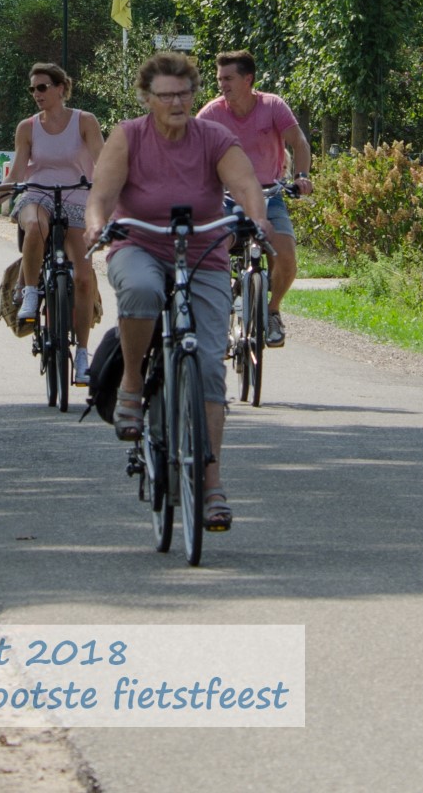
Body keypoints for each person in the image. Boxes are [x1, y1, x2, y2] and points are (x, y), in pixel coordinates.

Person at [84, 52, 270, 532]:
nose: (176, 103)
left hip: (203, 250)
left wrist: (258, 219)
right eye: (165, 95)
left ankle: (212, 486)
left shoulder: (214, 137)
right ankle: (130, 385)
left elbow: (245, 183)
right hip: (140, 243)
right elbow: (101, 195)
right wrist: (97, 226)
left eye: (184, 93)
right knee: (142, 290)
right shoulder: (129, 136)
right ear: (147, 98)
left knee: (208, 365)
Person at [0, 63, 105, 383]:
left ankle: (83, 355)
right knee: (35, 225)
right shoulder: (28, 128)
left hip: (78, 198)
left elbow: (103, 163)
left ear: (61, 88)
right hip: (38, 195)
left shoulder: (85, 121)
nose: (36, 93)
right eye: (32, 89)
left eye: (42, 87)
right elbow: (17, 172)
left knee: (84, 278)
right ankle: (30, 291)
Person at [196, 49, 313, 347]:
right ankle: (220, 309)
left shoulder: (272, 106)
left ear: (247, 79)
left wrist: (301, 176)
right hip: (226, 197)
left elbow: (299, 142)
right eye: (219, 78)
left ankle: (272, 311)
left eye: (228, 78)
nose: (222, 84)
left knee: (286, 256)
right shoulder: (211, 113)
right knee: (214, 248)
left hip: (268, 195)